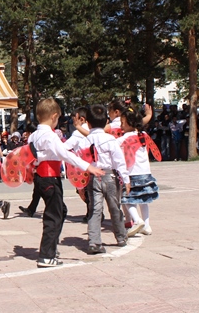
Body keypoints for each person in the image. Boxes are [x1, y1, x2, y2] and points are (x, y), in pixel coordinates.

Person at [28, 98, 105, 267]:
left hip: (41, 178)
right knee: (54, 215)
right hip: (50, 177)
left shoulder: (33, 135)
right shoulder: (50, 135)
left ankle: (50, 249)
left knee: (59, 211)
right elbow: (65, 154)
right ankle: (47, 255)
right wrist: (87, 167)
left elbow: (31, 155)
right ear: (54, 116)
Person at [84, 105, 130, 255]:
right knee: (114, 207)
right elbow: (119, 161)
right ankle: (121, 237)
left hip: (92, 177)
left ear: (88, 123)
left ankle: (94, 241)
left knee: (95, 209)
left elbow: (79, 161)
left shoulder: (85, 140)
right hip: (110, 176)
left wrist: (79, 185)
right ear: (106, 122)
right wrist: (126, 179)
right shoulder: (110, 139)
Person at [118, 106, 159, 237]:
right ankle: (147, 225)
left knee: (127, 199)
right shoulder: (144, 135)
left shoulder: (124, 138)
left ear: (130, 123)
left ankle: (137, 220)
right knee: (144, 199)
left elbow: (113, 146)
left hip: (132, 174)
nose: (121, 126)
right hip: (146, 172)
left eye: (122, 123)